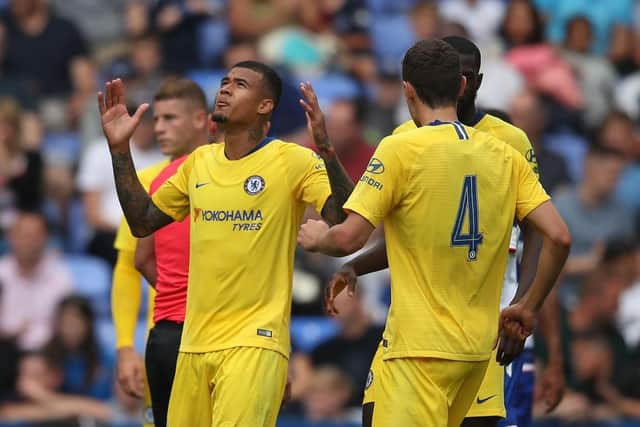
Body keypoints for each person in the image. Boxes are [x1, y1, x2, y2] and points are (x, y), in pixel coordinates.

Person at [297, 38, 571, 427]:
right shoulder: (502, 153)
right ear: (461, 86)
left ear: (407, 90)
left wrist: (317, 238)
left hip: (417, 349)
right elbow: (559, 237)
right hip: (480, 349)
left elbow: (347, 235)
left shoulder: (401, 147)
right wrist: (527, 307)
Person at [98, 60, 354, 427]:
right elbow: (141, 222)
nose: (226, 88)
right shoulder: (198, 162)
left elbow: (344, 222)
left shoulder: (293, 160)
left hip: (254, 341)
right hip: (193, 343)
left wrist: (327, 149)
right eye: (224, 81)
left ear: (265, 105)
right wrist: (120, 150)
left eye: (240, 84)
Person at [111, 77, 210, 427]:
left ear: (201, 119)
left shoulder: (222, 175)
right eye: (156, 120)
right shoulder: (143, 183)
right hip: (171, 329)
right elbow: (129, 266)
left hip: (189, 333)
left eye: (170, 119)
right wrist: (125, 346)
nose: (159, 128)